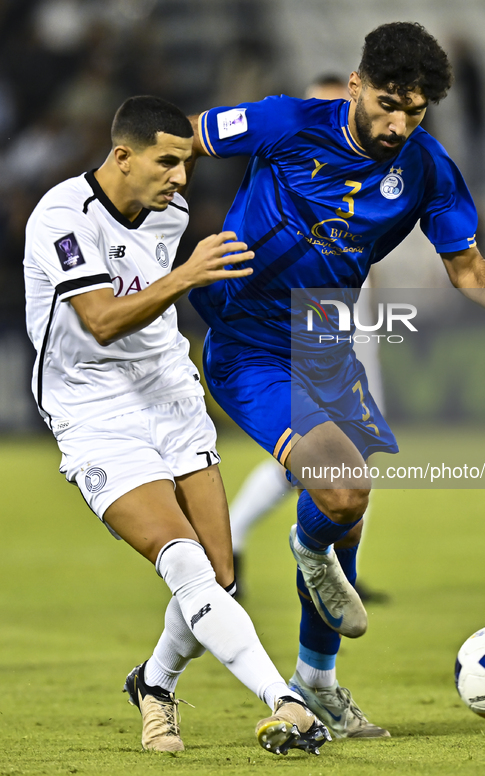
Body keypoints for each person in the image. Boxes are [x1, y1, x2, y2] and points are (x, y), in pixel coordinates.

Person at [187, 21, 485, 740]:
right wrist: (136, 227)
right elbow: (182, 139)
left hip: (322, 335)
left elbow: (465, 265)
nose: (399, 124)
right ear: (355, 87)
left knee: (349, 508)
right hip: (246, 340)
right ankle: (306, 552)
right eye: (388, 105)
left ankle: (317, 684)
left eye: (416, 111)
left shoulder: (427, 167)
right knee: (341, 491)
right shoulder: (285, 122)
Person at [23, 95, 330, 757]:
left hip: (170, 396)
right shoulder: (60, 217)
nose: (181, 178)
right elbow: (100, 321)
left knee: (217, 578)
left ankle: (154, 685)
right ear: (122, 156)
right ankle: (286, 700)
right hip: (93, 409)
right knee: (185, 564)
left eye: (186, 163)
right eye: (167, 161)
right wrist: (186, 275)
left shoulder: (172, 212)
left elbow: (163, 303)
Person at [228, 74, 388, 606]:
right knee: (320, 452)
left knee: (343, 450)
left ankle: (335, 563)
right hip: (293, 317)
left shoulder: (365, 171)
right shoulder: (281, 168)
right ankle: (245, 536)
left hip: (342, 312)